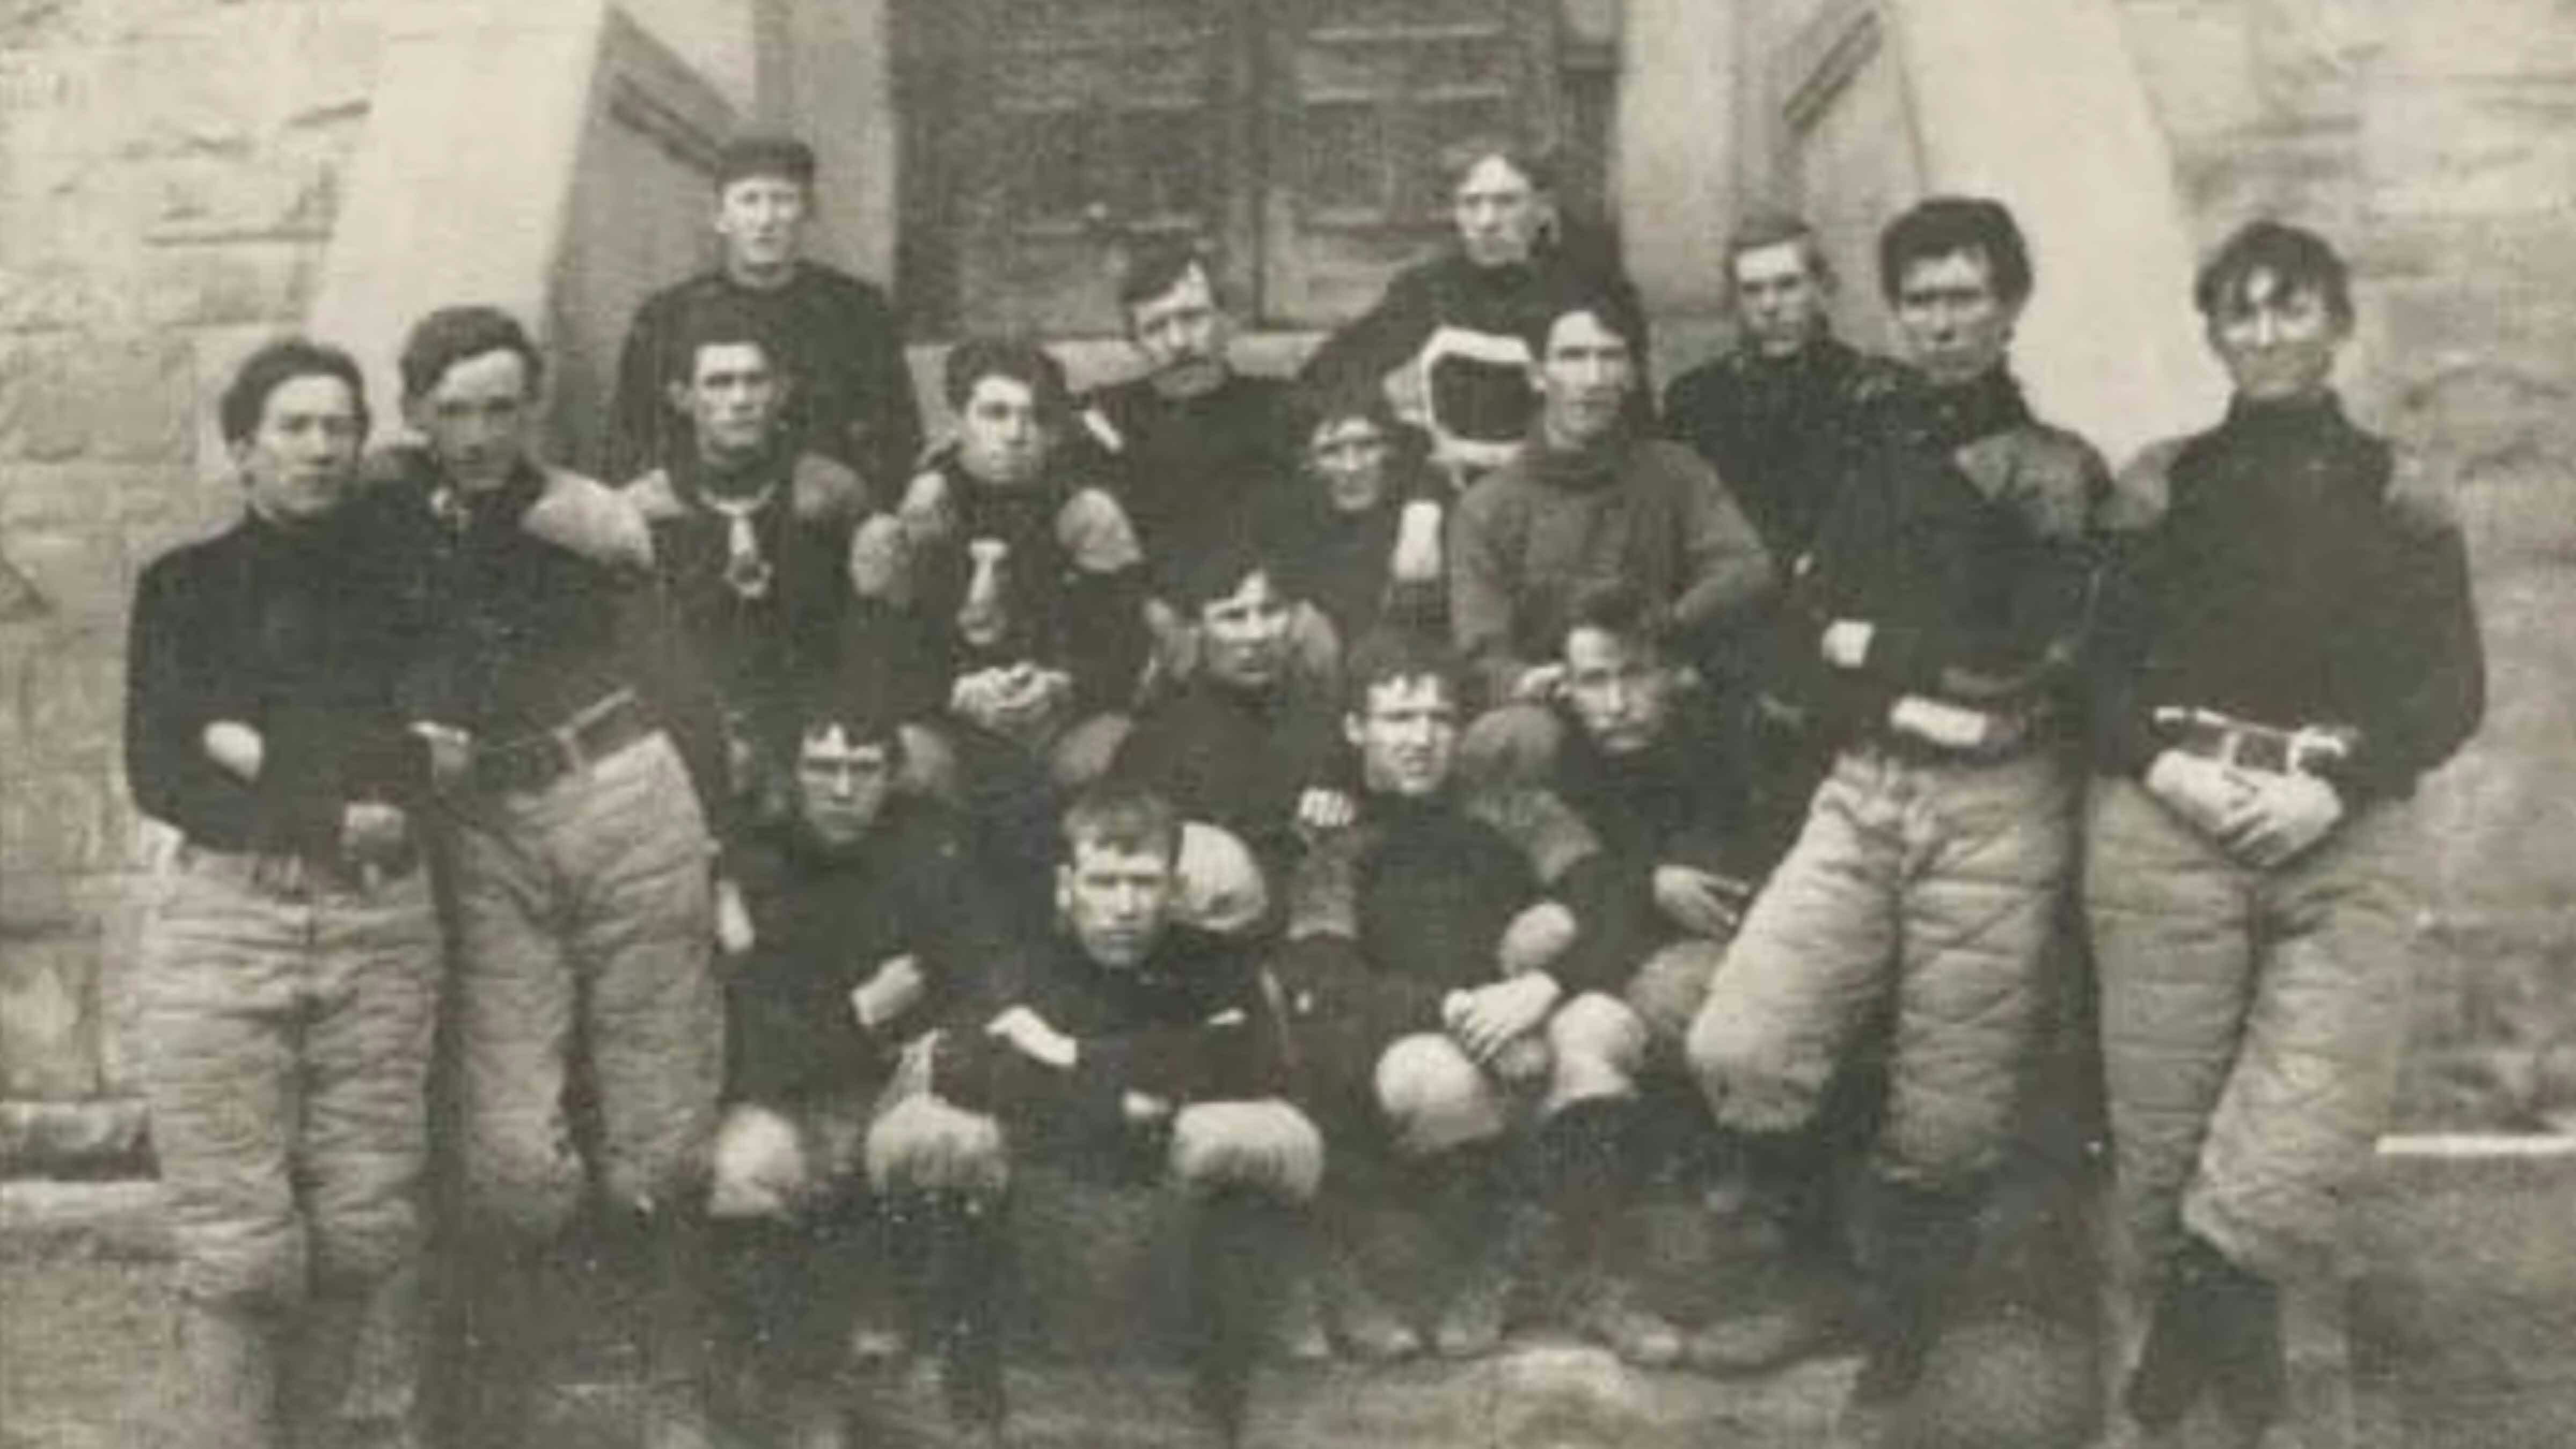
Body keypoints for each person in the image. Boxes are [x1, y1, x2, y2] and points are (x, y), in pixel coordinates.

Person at [1682, 197, 2111, 1441]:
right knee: (1743, 1043)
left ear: (2008, 304)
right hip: (1864, 782)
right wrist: (1907, 670)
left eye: (1962, 295)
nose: (1938, 320)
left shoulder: (2052, 466)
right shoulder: (1870, 439)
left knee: (1947, 1108)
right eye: (1917, 298)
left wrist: (1892, 646)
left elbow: (2042, 643)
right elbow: (1806, 621)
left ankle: (1897, 1341)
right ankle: (1817, 1275)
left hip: (1996, 805)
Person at [2085, 221, 2484, 1448]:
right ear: (2211, 331)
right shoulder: (2160, 485)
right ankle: (2204, 1390)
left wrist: (2337, 783)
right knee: (2159, 1149)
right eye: (2239, 312)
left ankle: (2214, 1331)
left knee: (2299, 1129)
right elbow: (2094, 674)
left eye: (2288, 308)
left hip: (2336, 822)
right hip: (2169, 823)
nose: (2263, 333)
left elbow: (2447, 688)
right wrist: (2172, 770)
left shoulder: (2399, 491)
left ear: (2334, 323)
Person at [365, 306, 724, 1448]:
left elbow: (677, 675)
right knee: (511, 1151)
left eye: (501, 408)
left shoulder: (583, 517)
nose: (478, 432)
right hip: (484, 823)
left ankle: (681, 1395)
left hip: (621, 787)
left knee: (661, 1128)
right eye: (454, 409)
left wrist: (719, 847)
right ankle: (492, 1409)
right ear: (415, 409)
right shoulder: (383, 510)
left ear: (536, 405)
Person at [126, 340, 441, 1449]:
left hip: (378, 920)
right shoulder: (186, 586)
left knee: (359, 1229)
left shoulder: (405, 578)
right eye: (294, 427)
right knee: (242, 1248)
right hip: (228, 918)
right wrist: (321, 796)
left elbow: (430, 749)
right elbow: (163, 768)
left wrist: (254, 742)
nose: (319, 448)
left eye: (339, 427)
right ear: (245, 448)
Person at [864, 784, 1325, 1447]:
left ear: (1173, 888)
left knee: (1254, 1136)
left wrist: (1066, 1053)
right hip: (1041, 1212)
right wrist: (1121, 1094)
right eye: (1103, 882)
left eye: (1144, 883)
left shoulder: (1215, 966)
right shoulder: (1028, 965)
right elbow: (963, 1066)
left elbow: (1255, 1065)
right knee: (941, 1137)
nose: (1125, 907)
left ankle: (1218, 1407)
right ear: (1066, 885)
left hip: (1174, 1209)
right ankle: (975, 1410)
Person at [1272, 628, 1679, 1366]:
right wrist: (1459, 1011)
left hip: (1533, 1013)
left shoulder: (1517, 808)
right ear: (1358, 729)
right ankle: (1486, 1266)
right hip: (1426, 1037)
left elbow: (1609, 906)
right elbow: (1330, 976)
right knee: (1442, 1082)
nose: (1420, 739)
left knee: (1602, 1026)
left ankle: (1586, 1273)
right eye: (1398, 720)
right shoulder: (1340, 841)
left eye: (1438, 718)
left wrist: (1541, 988)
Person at [701, 664, 1029, 1449]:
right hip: (794, 1097)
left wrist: (941, 1044)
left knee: (953, 1141)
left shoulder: (931, 854)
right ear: (794, 773)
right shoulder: (756, 866)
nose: (842, 789)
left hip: (894, 1085)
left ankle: (969, 1403)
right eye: (823, 768)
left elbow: (993, 979)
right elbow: (750, 1034)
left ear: (892, 773)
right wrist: (858, 1014)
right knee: (738, 1169)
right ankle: (787, 1387)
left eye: (862, 769)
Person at [1661, 211, 1908, 864]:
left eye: (1788, 285)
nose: (1771, 306)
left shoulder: (1878, 392)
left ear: (1823, 287)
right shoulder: (1697, 400)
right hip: (1733, 617)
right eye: (1753, 291)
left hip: (1838, 612)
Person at [1447, 285, 1772, 782]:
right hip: (1554, 702)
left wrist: (1662, 628)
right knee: (1516, 739)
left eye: (1610, 357)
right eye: (1573, 357)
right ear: (1538, 374)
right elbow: (1481, 649)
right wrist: (1532, 680)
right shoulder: (1490, 505)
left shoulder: (1674, 473)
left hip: (1654, 686)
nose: (1593, 378)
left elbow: (1745, 566)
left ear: (1632, 374)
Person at [619, 300, 880, 829]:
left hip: (814, 730)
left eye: (754, 381)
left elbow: (868, 641)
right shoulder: (644, 511)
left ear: (781, 391)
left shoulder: (830, 495)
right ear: (682, 397)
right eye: (718, 383)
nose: (739, 400)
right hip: (692, 733)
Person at [1301, 137, 1650, 486]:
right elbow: (1335, 370)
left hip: (1568, 479)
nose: (1486, 221)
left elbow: (1631, 412)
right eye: (1471, 203)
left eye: (1506, 202)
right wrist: (1408, 442)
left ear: (1544, 208)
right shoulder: (1429, 287)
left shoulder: (1593, 291)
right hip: (1455, 481)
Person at [857, 338, 1150, 740]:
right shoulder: (919, 507)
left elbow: (1120, 651)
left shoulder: (1084, 511)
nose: (1015, 434)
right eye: (995, 414)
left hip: (1053, 719)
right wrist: (953, 692)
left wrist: (1059, 686)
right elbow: (877, 655)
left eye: (1035, 417)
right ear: (959, 420)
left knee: (1111, 744)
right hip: (945, 713)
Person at [608, 135, 922, 493]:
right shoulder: (668, 316)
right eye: (749, 200)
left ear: (809, 210)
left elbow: (899, 438)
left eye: (782, 200)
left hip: (824, 520)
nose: (766, 219)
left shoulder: (858, 310)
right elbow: (631, 443)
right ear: (720, 217)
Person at [1108, 534, 1349, 886]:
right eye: (1233, 617)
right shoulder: (1157, 741)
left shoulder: (1331, 722)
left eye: (1271, 611)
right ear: (1196, 628)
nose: (1256, 635)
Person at [1253, 385, 1449, 647]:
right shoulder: (1286, 525)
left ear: (1390, 449)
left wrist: (1425, 512)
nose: (1352, 467)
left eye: (1367, 446)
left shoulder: (1421, 504)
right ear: (1306, 461)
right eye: (1331, 451)